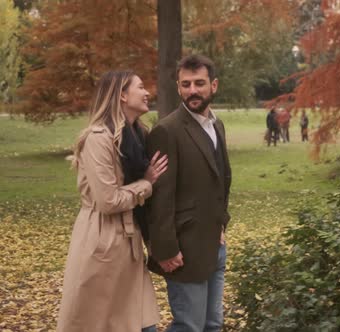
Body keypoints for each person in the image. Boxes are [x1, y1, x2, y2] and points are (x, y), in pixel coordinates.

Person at [57, 70, 168, 332]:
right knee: (99, 323)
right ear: (121, 95)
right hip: (102, 241)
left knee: (142, 322)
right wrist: (147, 183)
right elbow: (108, 201)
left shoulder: (138, 135)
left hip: (130, 242)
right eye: (140, 87)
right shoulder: (98, 139)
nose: (147, 92)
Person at [146, 54, 232, 332]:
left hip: (214, 244)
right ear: (178, 87)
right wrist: (166, 249)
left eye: (199, 83)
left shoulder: (216, 126)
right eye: (186, 84)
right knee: (189, 326)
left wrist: (221, 224)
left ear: (214, 85)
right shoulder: (166, 131)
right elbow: (160, 197)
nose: (192, 90)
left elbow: (221, 181)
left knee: (213, 325)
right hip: (184, 250)